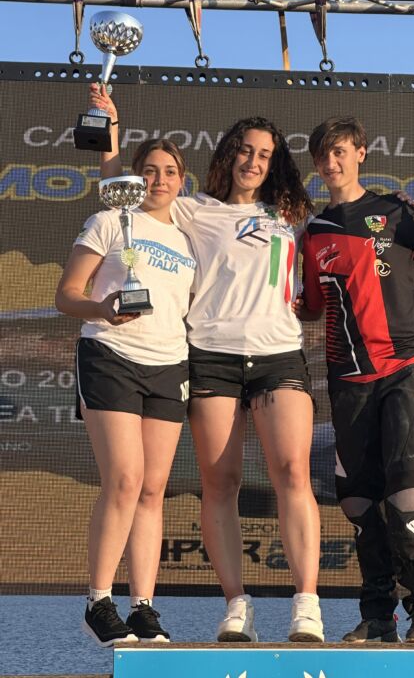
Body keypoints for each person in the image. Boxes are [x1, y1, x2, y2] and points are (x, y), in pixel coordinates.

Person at [92, 84, 324, 643]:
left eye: (264, 155)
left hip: (278, 355)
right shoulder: (193, 209)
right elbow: (121, 197)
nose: (253, 162)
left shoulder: (291, 214)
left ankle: (307, 605)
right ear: (229, 154)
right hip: (211, 357)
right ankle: (236, 605)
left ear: (275, 165)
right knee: (220, 482)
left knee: (293, 473)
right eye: (245, 150)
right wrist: (110, 135)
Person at [299, 116, 414, 644]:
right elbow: (310, 307)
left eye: (339, 151)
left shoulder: (396, 210)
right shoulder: (314, 231)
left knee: (409, 498)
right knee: (359, 504)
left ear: (361, 152)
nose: (331, 163)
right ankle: (378, 615)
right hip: (347, 378)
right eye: (322, 155)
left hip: (405, 367)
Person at [56, 120, 196, 646]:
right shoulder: (110, 221)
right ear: (134, 179)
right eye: (150, 171)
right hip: (110, 355)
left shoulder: (188, 236)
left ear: (182, 180)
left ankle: (143, 607)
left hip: (170, 363)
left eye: (170, 172)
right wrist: (102, 308)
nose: (160, 180)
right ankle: (98, 601)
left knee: (153, 489)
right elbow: (67, 294)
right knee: (124, 479)